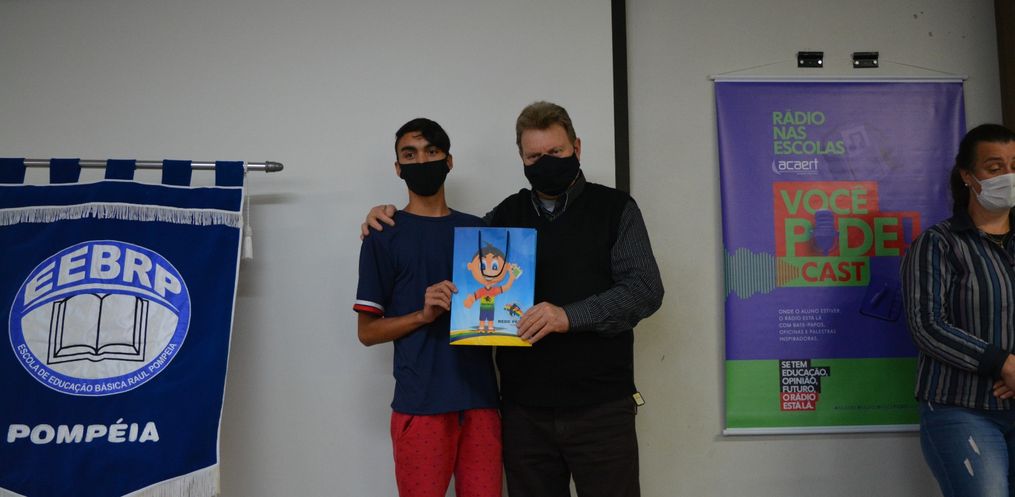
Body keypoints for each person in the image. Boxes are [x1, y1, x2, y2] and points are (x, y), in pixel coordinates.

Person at [363, 102, 664, 497]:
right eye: (534, 156)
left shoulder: (615, 208)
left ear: (576, 147)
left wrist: (568, 316)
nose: (545, 162)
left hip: (600, 408)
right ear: (521, 158)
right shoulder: (501, 219)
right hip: (524, 413)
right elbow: (446, 245)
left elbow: (645, 290)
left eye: (555, 152)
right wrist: (382, 216)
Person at [354, 118, 502, 497]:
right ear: (398, 168)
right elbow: (367, 333)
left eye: (431, 152)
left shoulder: (482, 233)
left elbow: (502, 308)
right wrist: (423, 316)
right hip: (420, 406)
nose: (421, 161)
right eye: (410, 154)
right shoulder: (383, 234)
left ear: (448, 161)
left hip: (482, 403)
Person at [901, 123, 1015, 497]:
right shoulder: (939, 243)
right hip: (962, 408)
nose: (1008, 175)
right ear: (968, 176)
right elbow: (927, 325)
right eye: (995, 168)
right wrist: (1004, 364)